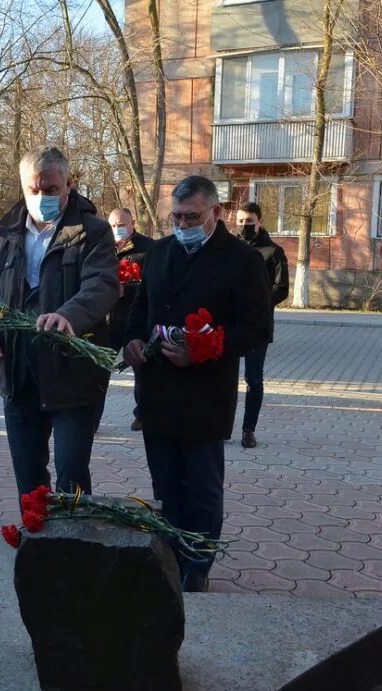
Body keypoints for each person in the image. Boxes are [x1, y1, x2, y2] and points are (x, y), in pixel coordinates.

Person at [123, 176, 270, 592]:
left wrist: (203, 350)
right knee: (165, 484)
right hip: (157, 393)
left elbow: (257, 329)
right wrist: (132, 341)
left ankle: (197, 567)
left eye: (193, 217)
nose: (183, 224)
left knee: (201, 487)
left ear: (216, 214)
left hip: (206, 394)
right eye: (177, 216)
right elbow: (141, 308)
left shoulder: (243, 261)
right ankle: (168, 557)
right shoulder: (160, 253)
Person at [0, 145, 118, 501]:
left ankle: (71, 552)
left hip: (72, 377)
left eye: (51, 189)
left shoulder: (92, 232)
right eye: (33, 190)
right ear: (22, 186)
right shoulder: (2, 233)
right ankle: (36, 548)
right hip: (18, 375)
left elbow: (102, 285)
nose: (41, 197)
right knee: (28, 481)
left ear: (69, 183)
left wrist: (68, 315)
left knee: (72, 479)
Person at [235, 202, 289, 449]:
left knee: (253, 379)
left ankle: (248, 430)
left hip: (257, 325)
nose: (245, 226)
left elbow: (282, 289)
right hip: (229, 324)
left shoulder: (273, 252)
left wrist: (258, 303)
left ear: (260, 222)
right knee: (223, 378)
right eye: (241, 221)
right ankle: (223, 427)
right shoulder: (229, 248)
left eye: (249, 222)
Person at [106, 207, 154, 432]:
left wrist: (128, 291)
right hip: (107, 318)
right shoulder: (103, 247)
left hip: (135, 318)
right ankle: (92, 416)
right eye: (113, 226)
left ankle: (143, 414)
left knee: (141, 369)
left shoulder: (148, 248)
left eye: (122, 225)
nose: (118, 229)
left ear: (133, 222)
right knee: (99, 367)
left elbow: (153, 285)